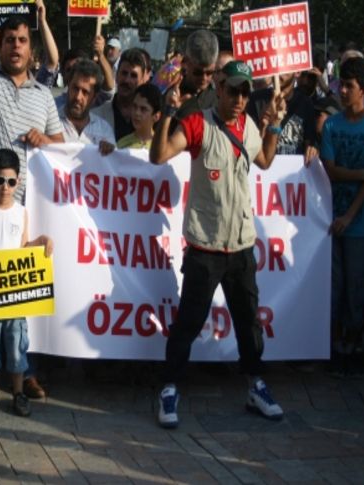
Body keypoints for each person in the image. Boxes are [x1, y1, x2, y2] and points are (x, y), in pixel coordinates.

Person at [149, 60, 288, 428]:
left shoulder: (249, 125)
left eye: (246, 92)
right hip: (205, 248)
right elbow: (158, 155)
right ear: (220, 88)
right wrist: (167, 112)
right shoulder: (198, 124)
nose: (240, 99)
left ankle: (255, 385)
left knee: (248, 323)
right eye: (234, 91)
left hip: (241, 246)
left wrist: (274, 123)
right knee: (189, 323)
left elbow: (265, 160)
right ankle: (169, 388)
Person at [320, 57, 364, 377]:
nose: (343, 91)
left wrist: (350, 215)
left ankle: (352, 341)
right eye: (341, 85)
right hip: (330, 221)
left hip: (359, 223)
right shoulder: (332, 125)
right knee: (333, 286)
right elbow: (331, 171)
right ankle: (333, 344)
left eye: (349, 86)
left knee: (356, 287)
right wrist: (361, 173)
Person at [0, 149, 53, 418]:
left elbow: (24, 245)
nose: (5, 188)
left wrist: (39, 242)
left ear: (18, 182)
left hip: (16, 294)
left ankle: (18, 392)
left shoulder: (21, 213)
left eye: (11, 182)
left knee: (17, 340)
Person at [0, 14, 64, 201]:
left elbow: (61, 147)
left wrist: (44, 139)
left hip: (31, 210)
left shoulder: (44, 94)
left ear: (30, 50)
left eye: (22, 40)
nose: (16, 45)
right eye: (10, 40)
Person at [247, 71, 318, 161]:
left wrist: (312, 150)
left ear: (297, 72)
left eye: (284, 70)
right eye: (274, 67)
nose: (277, 73)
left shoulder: (306, 103)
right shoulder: (256, 100)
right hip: (264, 170)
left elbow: (309, 143)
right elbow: (251, 146)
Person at [92, 47, 152, 141]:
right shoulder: (96, 116)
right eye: (124, 73)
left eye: (133, 76)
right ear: (116, 75)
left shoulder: (151, 120)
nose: (127, 80)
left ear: (142, 80)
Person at [58, 58, 115, 145]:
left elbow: (112, 158)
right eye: (75, 88)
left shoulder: (104, 130)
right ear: (68, 86)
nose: (78, 97)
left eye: (85, 92)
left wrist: (109, 152)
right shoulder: (51, 124)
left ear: (94, 97)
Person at [174, 30, 219, 120]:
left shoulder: (219, 95)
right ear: (186, 62)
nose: (204, 78)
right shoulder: (172, 93)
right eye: (198, 72)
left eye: (209, 73)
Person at [116, 83, 163, 149]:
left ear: (156, 116)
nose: (137, 113)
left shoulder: (162, 148)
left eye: (143, 109)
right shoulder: (121, 144)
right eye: (134, 106)